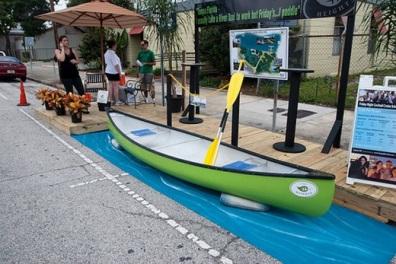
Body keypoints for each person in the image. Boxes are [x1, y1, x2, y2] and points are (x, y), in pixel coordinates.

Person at [104, 39, 122, 105]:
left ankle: (110, 100)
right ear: (113, 45)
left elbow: (106, 63)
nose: (116, 46)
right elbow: (116, 64)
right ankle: (117, 101)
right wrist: (120, 73)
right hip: (114, 72)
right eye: (116, 45)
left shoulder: (106, 53)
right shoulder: (112, 54)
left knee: (110, 86)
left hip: (108, 71)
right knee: (115, 86)